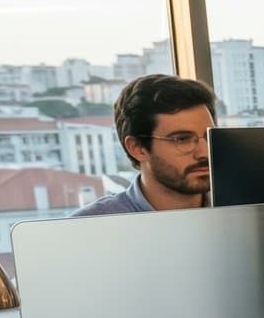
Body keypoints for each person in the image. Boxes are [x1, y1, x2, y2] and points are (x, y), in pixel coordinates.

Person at [73, 74, 217, 216]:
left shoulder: (237, 211)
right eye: (182, 139)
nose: (205, 152)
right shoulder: (88, 227)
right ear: (137, 148)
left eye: (209, 137)